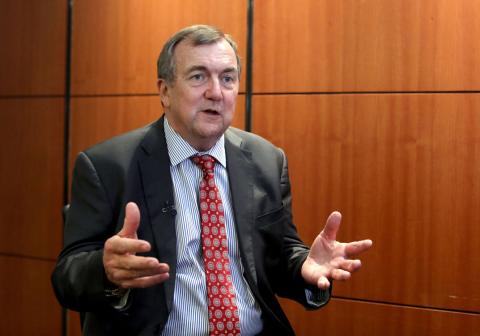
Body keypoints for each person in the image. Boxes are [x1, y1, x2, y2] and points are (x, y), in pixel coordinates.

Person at [51, 24, 373, 335]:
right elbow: (67, 278)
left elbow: (278, 255)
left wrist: (305, 267)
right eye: (198, 76)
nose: (216, 92)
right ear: (164, 91)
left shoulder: (266, 159)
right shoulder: (107, 166)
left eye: (227, 78)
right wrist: (106, 272)